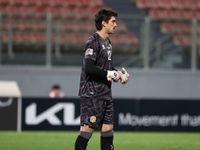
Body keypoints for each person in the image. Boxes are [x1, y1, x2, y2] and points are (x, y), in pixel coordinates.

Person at [75, 9, 129, 150]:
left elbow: (107, 67)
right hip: (92, 94)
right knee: (87, 131)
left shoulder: (108, 42)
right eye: (113, 21)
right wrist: (109, 75)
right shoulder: (93, 42)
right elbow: (89, 68)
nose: (116, 25)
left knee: (107, 130)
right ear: (104, 23)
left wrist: (118, 74)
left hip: (105, 93)